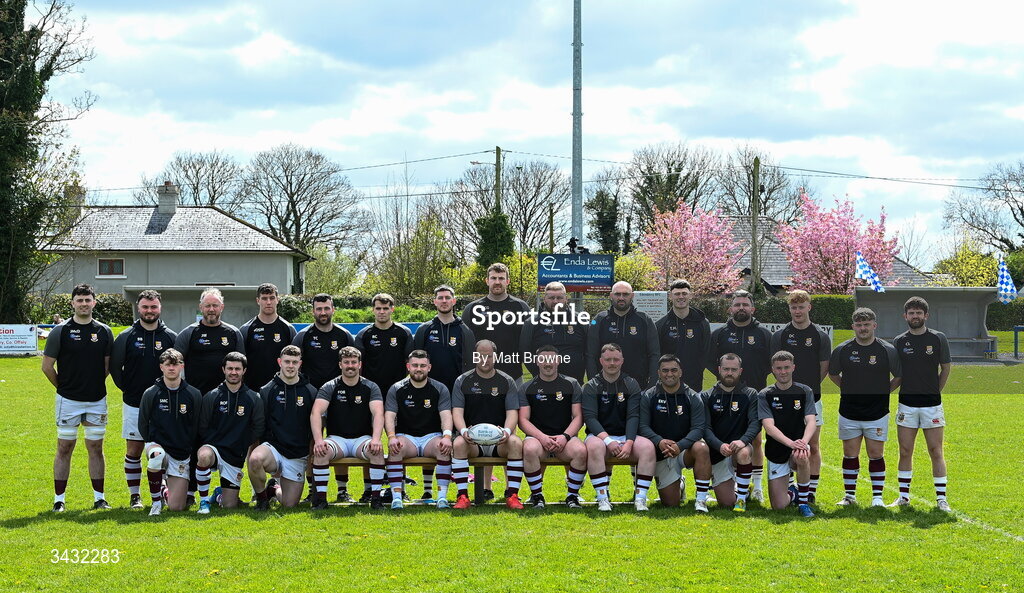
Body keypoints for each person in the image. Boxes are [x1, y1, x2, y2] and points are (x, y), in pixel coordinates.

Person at [42, 283, 115, 512]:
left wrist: (90, 384)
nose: (84, 304)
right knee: (65, 447)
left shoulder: (104, 331)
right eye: (79, 300)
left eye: (88, 300)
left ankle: (99, 498)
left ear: (94, 302)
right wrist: (64, 388)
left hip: (96, 400)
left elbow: (107, 367)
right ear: (72, 303)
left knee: (96, 448)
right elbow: (47, 367)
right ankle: (59, 500)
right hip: (68, 401)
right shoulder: (60, 331)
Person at [110, 289, 177, 509]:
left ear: (160, 308)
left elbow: (177, 370)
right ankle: (135, 496)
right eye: (146, 307)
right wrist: (128, 389)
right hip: (134, 403)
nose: (150, 311)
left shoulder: (171, 337)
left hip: (164, 404)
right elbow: (115, 369)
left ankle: (164, 491)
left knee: (164, 449)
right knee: (134, 450)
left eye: (154, 307)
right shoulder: (126, 336)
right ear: (138, 308)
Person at [829, 307, 902, 507]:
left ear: (874, 326)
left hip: (877, 412)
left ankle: (877, 498)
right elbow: (833, 374)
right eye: (859, 325)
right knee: (850, 453)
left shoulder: (887, 350)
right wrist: (848, 388)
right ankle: (849, 496)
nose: (863, 328)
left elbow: (898, 376)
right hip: (849, 411)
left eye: (866, 325)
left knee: (876, 453)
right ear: (853, 326)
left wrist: (885, 391)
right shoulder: (842, 350)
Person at [707, 289, 772, 501]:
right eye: (737, 305)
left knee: (755, 440)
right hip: (724, 394)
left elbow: (771, 363)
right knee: (718, 438)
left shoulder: (764, 334)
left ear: (753, 309)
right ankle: (716, 485)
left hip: (754, 394)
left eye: (745, 305)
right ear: (730, 308)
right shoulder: (719, 334)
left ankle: (758, 487)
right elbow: (710, 361)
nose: (741, 308)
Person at [891, 296, 952, 511]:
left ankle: (941, 499)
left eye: (919, 313)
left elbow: (945, 368)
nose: (915, 316)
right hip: (906, 404)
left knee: (936, 451)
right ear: (905, 316)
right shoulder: (898, 341)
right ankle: (904, 497)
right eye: (911, 313)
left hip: (931, 405)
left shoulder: (938, 338)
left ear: (926, 315)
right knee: (905, 451)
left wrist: (935, 391)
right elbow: (897, 375)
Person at [769, 289, 830, 503]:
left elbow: (824, 367)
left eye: (801, 307)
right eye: (793, 307)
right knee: (788, 443)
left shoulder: (820, 336)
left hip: (812, 399)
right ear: (789, 309)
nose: (797, 311)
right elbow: (776, 366)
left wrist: (808, 390)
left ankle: (810, 491)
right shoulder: (780, 335)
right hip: (784, 400)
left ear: (809, 307)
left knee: (812, 445)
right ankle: (792, 486)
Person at [450, 340, 525, 510]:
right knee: (459, 443)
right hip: (473, 442)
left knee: (515, 442)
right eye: (481, 355)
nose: (485, 360)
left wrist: (506, 432)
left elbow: (512, 412)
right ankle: (462, 496)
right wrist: (463, 431)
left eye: (489, 356)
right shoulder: (463, 380)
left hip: (499, 441)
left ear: (496, 357)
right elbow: (457, 411)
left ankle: (512, 495)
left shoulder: (506, 381)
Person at [309, 347, 387, 510]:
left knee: (377, 451)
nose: (350, 366)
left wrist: (376, 439)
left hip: (362, 440)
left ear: (360, 364)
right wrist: (318, 440)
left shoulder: (370, 387)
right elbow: (316, 412)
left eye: (353, 362)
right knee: (321, 450)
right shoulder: (330, 386)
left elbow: (379, 413)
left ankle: (375, 499)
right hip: (337, 440)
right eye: (346, 362)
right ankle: (321, 500)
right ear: (340, 364)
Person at [353, 293, 413, 503]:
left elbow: (410, 364)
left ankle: (399, 487)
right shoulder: (364, 335)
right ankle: (370, 488)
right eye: (378, 308)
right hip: (371, 396)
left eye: (385, 308)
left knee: (398, 438)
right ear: (373, 310)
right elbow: (358, 366)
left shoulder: (404, 333)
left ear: (392, 309)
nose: (381, 312)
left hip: (397, 394)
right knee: (371, 439)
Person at [581, 343, 655, 512]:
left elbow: (633, 415)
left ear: (622, 361)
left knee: (647, 447)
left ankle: (640, 498)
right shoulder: (592, 386)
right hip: (599, 437)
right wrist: (608, 441)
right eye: (608, 359)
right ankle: (602, 498)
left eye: (615, 359)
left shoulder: (631, 384)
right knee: (593, 447)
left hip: (626, 436)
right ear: (601, 361)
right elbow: (590, 419)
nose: (612, 363)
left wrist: (629, 442)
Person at [638, 354, 712, 512]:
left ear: (680, 372)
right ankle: (681, 483)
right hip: (661, 451)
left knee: (702, 448)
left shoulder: (692, 396)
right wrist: (659, 441)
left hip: (684, 450)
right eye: (665, 370)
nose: (669, 374)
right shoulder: (649, 396)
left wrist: (680, 445)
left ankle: (701, 501)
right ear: (658, 373)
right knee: (671, 503)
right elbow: (643, 426)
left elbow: (699, 428)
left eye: (673, 370)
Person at [248, 345, 318, 510]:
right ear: (280, 362)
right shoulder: (266, 391)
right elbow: (259, 425)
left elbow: (315, 427)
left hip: (297, 453)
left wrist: (311, 453)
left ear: (300, 364)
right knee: (255, 459)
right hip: (274, 449)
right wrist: (254, 449)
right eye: (287, 361)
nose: (290, 366)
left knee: (289, 504)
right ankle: (262, 499)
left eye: (294, 362)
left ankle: (273, 489)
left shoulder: (310, 391)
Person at [519, 345, 588, 509]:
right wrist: (542, 437)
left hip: (564, 439)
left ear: (558, 361)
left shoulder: (571, 384)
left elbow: (578, 417)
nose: (547, 363)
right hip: (538, 439)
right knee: (528, 449)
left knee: (580, 450)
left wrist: (565, 437)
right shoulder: (527, 387)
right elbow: (523, 420)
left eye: (551, 359)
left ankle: (572, 496)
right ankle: (537, 496)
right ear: (537, 362)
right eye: (543, 359)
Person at [384, 350, 454, 510]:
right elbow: (389, 416)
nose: (418, 369)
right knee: (395, 448)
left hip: (431, 437)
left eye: (422, 365)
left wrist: (447, 436)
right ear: (408, 367)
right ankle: (396, 498)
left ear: (429, 367)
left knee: (443, 448)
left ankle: (441, 497)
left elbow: (446, 416)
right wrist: (391, 436)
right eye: (415, 365)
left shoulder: (439, 388)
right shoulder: (397, 388)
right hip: (407, 437)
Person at [195, 352, 264, 513]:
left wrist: (241, 443)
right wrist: (213, 442)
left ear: (244, 371)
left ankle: (219, 494)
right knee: (204, 455)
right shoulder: (211, 396)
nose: (234, 372)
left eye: (237, 369)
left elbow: (258, 427)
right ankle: (204, 502)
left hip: (235, 454)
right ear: (223, 370)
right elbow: (202, 426)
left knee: (229, 505)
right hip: (214, 449)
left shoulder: (254, 398)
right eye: (230, 368)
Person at [137, 349, 202, 516]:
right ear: (161, 367)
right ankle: (155, 503)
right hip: (157, 446)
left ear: (182, 366)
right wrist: (151, 442)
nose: (171, 368)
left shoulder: (194, 394)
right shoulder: (151, 393)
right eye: (168, 365)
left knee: (176, 507)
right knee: (156, 455)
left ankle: (164, 489)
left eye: (175, 364)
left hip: (181, 453)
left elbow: (196, 426)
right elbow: (143, 424)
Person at [758, 351, 817, 518]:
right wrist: (791, 443)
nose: (783, 372)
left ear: (793, 368)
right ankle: (793, 493)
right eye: (779, 368)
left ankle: (804, 503)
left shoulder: (805, 391)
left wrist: (803, 443)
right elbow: (769, 427)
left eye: (786, 367)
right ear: (773, 370)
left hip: (797, 447)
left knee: (802, 455)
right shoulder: (765, 394)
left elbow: (811, 421)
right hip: (776, 450)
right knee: (779, 506)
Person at [701, 353, 760, 512]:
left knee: (743, 453)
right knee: (726, 503)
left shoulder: (751, 394)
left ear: (740, 371)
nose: (729, 373)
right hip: (718, 451)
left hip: (739, 448)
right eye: (726, 369)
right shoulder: (706, 395)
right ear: (719, 369)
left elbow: (755, 423)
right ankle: (742, 488)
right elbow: (705, 428)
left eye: (733, 369)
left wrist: (743, 441)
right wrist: (719, 445)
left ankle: (741, 499)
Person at [462, 263, 530, 383]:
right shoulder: (472, 309)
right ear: (487, 281)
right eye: (493, 278)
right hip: (480, 377)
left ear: (507, 281)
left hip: (514, 375)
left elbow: (528, 342)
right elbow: (466, 345)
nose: (497, 282)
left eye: (501, 278)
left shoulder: (521, 307)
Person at [174, 287, 245, 395]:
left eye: (215, 305)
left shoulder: (234, 333)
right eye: (207, 305)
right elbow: (174, 365)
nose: (211, 309)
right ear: (201, 307)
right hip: (196, 398)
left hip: (227, 397)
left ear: (222, 307)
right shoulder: (188, 333)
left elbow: (242, 366)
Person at [588, 281, 659, 388]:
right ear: (611, 295)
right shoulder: (599, 320)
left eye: (625, 294)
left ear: (632, 296)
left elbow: (654, 354)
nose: (621, 298)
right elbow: (590, 355)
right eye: (617, 294)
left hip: (639, 386)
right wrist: (594, 384)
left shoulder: (645, 320)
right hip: (605, 386)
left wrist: (652, 385)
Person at [520, 281, 588, 383]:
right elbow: (524, 352)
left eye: (559, 298)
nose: (556, 301)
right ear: (544, 299)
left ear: (566, 299)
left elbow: (589, 352)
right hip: (543, 384)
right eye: (551, 298)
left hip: (575, 384)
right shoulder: (531, 323)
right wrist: (538, 374)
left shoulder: (580, 320)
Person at [412, 285, 475, 391]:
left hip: (457, 389)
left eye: (447, 298)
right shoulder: (423, 330)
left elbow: (471, 363)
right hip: (428, 389)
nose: (444, 301)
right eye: (440, 298)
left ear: (454, 301)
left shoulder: (465, 331)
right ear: (435, 302)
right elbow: (415, 361)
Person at [657, 279, 712, 392]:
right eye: (677, 294)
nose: (681, 297)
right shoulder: (661, 325)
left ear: (690, 295)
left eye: (684, 293)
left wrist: (697, 370)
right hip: (668, 384)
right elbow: (658, 355)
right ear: (670, 296)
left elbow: (706, 351)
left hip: (695, 384)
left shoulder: (702, 323)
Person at [239, 283, 296, 392]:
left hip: (281, 390)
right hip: (252, 390)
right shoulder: (246, 329)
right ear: (258, 301)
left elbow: (295, 362)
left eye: (272, 298)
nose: (268, 302)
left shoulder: (288, 329)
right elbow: (240, 363)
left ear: (277, 300)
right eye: (264, 298)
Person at [292, 293, 354, 390]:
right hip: (310, 391)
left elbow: (355, 365)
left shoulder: (345, 335)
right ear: (313, 311)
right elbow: (294, 366)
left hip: (338, 392)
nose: (323, 312)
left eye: (327, 308)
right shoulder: (302, 336)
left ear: (333, 310)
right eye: (319, 309)